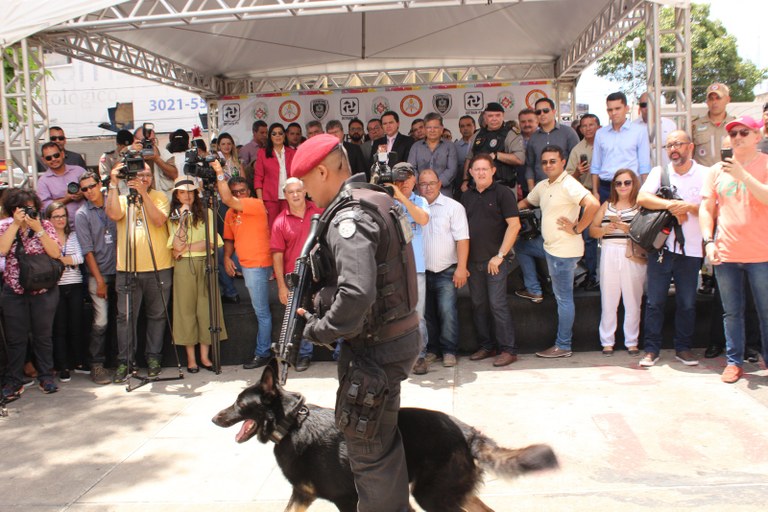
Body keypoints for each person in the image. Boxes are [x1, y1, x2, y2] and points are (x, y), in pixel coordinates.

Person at [290, 134, 420, 511]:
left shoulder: (349, 215)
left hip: (375, 351)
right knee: (379, 444)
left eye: (307, 184)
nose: (306, 193)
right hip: (393, 338)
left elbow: (357, 293)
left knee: (368, 453)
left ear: (322, 171)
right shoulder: (374, 197)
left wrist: (318, 329)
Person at [699, 115, 768, 383]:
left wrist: (743, 175)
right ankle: (734, 361)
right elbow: (707, 208)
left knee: (765, 312)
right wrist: (708, 240)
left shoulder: (764, 164)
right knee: (731, 312)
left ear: (757, 137)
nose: (737, 137)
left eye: (744, 132)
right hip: (726, 252)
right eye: (733, 133)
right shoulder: (716, 170)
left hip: (761, 253)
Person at [516, 146, 600, 358]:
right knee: (521, 246)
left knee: (563, 299)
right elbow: (527, 202)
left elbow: (593, 204)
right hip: (548, 246)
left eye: (553, 161)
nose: (548, 165)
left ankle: (563, 345)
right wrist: (507, 213)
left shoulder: (569, 183)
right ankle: (534, 289)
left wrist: (579, 227)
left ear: (563, 162)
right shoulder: (544, 185)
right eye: (544, 162)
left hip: (564, 252)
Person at [637, 130, 706, 368]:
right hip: (662, 249)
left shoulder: (706, 174)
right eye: (669, 146)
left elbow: (713, 208)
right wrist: (671, 205)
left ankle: (683, 348)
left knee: (687, 302)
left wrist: (690, 208)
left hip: (693, 250)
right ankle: (651, 349)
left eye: (678, 144)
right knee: (655, 301)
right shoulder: (660, 172)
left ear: (691, 147)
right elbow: (642, 198)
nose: (673, 149)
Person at [106, 161, 173, 383]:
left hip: (158, 267)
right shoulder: (123, 199)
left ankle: (153, 358)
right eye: (139, 175)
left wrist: (144, 194)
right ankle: (125, 361)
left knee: (157, 315)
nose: (144, 178)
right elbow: (113, 214)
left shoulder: (160, 197)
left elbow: (158, 220)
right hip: (127, 269)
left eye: (147, 175)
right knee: (125, 318)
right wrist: (113, 183)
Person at [0, 189, 63, 400]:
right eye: (22, 208)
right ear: (12, 210)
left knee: (43, 337)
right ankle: (14, 381)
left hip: (43, 291)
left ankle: (46, 377)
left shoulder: (44, 225)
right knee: (16, 339)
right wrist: (16, 225)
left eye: (31, 207)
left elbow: (56, 253)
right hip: (14, 292)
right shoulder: (5, 226)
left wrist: (39, 230)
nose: (27, 211)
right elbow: (2, 250)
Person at [461, 153, 520, 367]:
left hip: (495, 261)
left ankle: (508, 350)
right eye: (477, 169)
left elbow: (514, 226)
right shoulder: (466, 196)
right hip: (473, 262)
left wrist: (500, 256)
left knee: (497, 305)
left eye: (485, 169)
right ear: (471, 173)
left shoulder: (503, 193)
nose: (481, 173)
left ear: (493, 171)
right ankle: (487, 346)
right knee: (478, 305)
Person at [215, 167, 274, 370]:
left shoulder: (255, 204)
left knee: (262, 312)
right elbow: (229, 239)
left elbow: (225, 199)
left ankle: (263, 352)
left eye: (242, 191)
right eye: (235, 191)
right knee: (261, 311)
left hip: (257, 263)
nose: (239, 194)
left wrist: (218, 173)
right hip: (246, 262)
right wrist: (228, 258)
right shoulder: (231, 213)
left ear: (248, 192)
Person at [167, 177, 227, 373]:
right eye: (183, 192)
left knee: (206, 309)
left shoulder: (207, 213)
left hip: (205, 263)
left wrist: (187, 248)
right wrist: (183, 219)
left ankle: (205, 356)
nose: (187, 196)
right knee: (185, 311)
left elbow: (212, 243)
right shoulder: (174, 216)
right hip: (184, 266)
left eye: (190, 192)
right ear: (176, 195)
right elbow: (176, 245)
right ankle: (191, 359)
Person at [588, 170, 645, 356]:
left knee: (632, 299)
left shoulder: (640, 205)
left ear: (633, 183)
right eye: (618, 183)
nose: (622, 186)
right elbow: (592, 231)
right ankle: (607, 341)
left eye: (627, 182)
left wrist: (629, 228)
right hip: (609, 250)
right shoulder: (607, 205)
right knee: (609, 299)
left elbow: (646, 233)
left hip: (631, 253)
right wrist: (605, 229)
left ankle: (632, 341)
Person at [270, 177, 323, 372]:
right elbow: (277, 255)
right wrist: (282, 286)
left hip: (321, 273)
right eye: (290, 192)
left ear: (304, 192)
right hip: (297, 277)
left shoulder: (319, 212)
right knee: (299, 317)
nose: (295, 195)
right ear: (285, 195)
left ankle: (339, 353)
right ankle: (303, 356)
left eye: (298, 191)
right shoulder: (280, 222)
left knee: (331, 309)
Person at [418, 168, 469, 370]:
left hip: (447, 270)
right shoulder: (415, 207)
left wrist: (462, 268)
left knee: (447, 312)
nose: (428, 187)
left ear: (440, 184)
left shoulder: (453, 207)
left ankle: (449, 351)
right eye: (423, 184)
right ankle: (432, 350)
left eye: (431, 183)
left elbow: (462, 239)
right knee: (426, 314)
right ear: (418, 186)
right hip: (422, 271)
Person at [385, 163, 430, 374]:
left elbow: (422, 219)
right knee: (393, 315)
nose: (402, 183)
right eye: (398, 179)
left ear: (414, 179)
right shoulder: (385, 201)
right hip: (393, 268)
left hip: (416, 267)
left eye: (407, 178)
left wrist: (402, 198)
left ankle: (420, 356)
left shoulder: (420, 201)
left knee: (418, 315)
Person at [74, 171, 118, 385]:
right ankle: (97, 365)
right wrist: (99, 279)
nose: (89, 191)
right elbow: (87, 251)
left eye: (92, 186)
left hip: (121, 269)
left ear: (100, 184)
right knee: (101, 321)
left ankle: (122, 361)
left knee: (123, 319)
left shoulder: (113, 203)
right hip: (98, 272)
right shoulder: (82, 214)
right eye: (84, 189)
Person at [46, 201, 85, 383]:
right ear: (49, 219)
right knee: (59, 327)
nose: (60, 219)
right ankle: (63, 366)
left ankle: (78, 361)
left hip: (75, 283)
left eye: (63, 215)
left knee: (76, 325)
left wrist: (59, 259)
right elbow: (48, 261)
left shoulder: (73, 236)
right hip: (56, 286)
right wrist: (68, 260)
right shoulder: (46, 237)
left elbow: (79, 258)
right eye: (56, 216)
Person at [591, 92, 651, 201]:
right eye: (610, 110)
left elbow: (644, 166)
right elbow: (595, 166)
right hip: (606, 187)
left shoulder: (639, 131)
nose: (613, 113)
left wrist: (645, 193)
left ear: (626, 108)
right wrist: (595, 192)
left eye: (617, 108)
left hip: (630, 186)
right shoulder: (600, 133)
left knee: (630, 218)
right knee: (606, 218)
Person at [566, 113, 602, 290]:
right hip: (586, 196)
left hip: (609, 192)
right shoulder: (577, 150)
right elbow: (568, 179)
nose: (587, 128)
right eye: (584, 126)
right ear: (580, 129)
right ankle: (591, 275)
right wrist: (578, 172)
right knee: (588, 238)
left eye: (591, 125)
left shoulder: (607, 145)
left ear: (598, 127)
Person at [461, 103, 525, 194]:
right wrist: (465, 180)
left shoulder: (511, 134)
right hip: (478, 187)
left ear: (503, 116)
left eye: (498, 115)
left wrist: (496, 155)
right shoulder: (477, 134)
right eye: (490, 116)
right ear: (485, 117)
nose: (494, 119)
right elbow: (469, 158)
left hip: (503, 186)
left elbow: (519, 159)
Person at [525, 98, 580, 193]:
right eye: (538, 112)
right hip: (541, 189)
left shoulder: (568, 133)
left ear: (554, 111)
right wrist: (531, 188)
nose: (542, 114)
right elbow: (529, 165)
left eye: (545, 110)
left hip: (565, 188)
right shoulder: (533, 138)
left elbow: (577, 161)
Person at [37, 142, 86, 232]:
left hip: (88, 224)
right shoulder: (43, 181)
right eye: (49, 158)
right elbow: (45, 207)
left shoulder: (79, 171)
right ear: (43, 160)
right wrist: (67, 199)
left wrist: (82, 193)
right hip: (63, 230)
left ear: (62, 154)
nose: (53, 159)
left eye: (56, 155)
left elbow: (95, 190)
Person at [255, 122, 296, 229]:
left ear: (284, 135)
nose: (277, 136)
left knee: (289, 227)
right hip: (270, 199)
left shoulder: (293, 152)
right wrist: (260, 201)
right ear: (270, 137)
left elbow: (298, 175)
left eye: (280, 133)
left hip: (289, 197)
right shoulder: (262, 153)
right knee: (272, 229)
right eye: (274, 134)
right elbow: (258, 178)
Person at [407, 112, 458, 196]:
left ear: (442, 129)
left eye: (436, 127)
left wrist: (436, 185)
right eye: (429, 127)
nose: (432, 130)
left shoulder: (450, 146)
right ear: (424, 129)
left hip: (443, 192)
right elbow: (411, 168)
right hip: (420, 192)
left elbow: (452, 170)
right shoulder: (416, 147)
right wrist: (421, 184)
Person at [692, 83, 735, 167]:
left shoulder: (735, 125)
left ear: (727, 99)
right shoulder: (695, 125)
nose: (714, 102)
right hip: (703, 176)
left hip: (728, 175)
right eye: (711, 99)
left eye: (718, 98)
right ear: (707, 102)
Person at [132, 124, 178, 199]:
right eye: (144, 141)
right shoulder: (129, 151)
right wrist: (132, 153)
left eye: (152, 140)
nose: (148, 144)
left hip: (160, 198)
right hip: (135, 197)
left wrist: (157, 159)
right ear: (134, 139)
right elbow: (116, 171)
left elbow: (174, 175)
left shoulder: (163, 153)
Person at [634, 92, 677, 168]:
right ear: (640, 107)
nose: (647, 108)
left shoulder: (670, 125)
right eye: (643, 105)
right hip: (641, 176)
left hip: (666, 173)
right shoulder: (633, 127)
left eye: (650, 104)